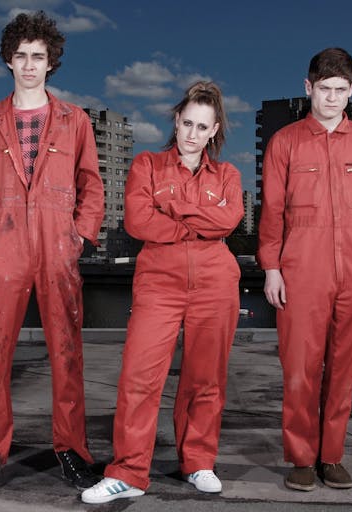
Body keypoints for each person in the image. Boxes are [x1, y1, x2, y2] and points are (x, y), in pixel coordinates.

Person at [0, 10, 104, 498]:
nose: (29, 65)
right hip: (7, 247)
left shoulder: (74, 119)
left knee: (67, 352)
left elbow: (91, 186)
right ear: (8, 60)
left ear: (51, 63)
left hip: (57, 247)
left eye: (38, 57)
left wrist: (78, 236)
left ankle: (72, 450)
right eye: (20, 56)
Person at [82, 82, 244, 504]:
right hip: (159, 284)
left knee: (205, 379)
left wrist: (174, 212)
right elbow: (138, 221)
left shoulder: (228, 175)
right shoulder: (147, 165)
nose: (192, 133)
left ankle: (198, 462)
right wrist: (197, 224)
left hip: (215, 283)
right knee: (138, 376)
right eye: (187, 122)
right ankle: (129, 472)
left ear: (214, 130)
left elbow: (230, 219)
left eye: (202, 126)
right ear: (176, 121)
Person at [257, 48, 352, 492]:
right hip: (303, 268)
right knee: (299, 367)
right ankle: (301, 458)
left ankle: (331, 456)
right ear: (308, 87)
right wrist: (272, 268)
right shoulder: (285, 142)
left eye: (341, 91)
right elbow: (272, 210)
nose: (332, 98)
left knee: (343, 367)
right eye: (324, 90)